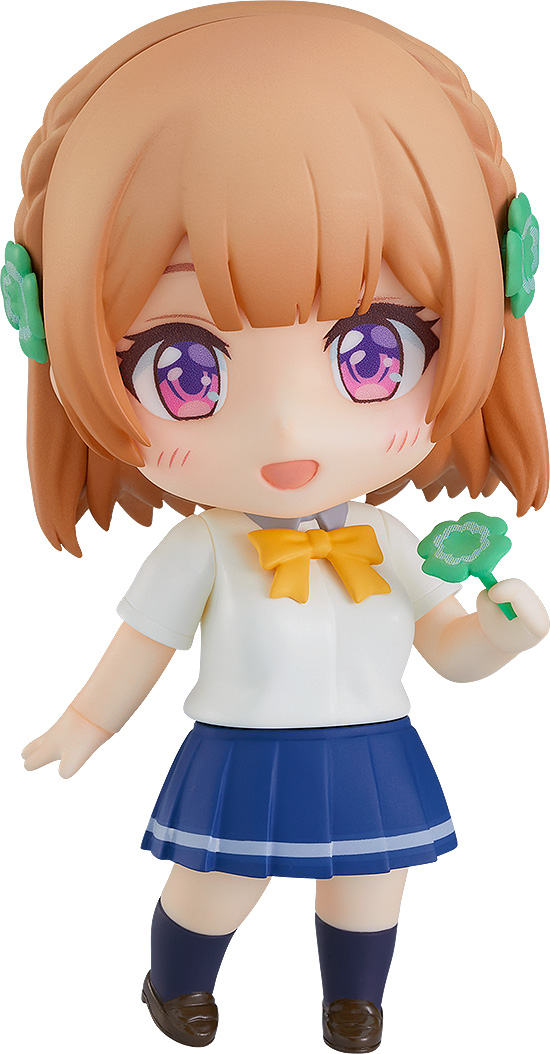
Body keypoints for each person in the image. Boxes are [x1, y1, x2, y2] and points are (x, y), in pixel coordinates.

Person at [5, 4, 548, 1051]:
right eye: (184, 368)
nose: (290, 430)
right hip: (242, 745)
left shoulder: (390, 545)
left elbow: (444, 649)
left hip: (371, 741)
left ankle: (354, 1001)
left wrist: (500, 632)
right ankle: (175, 982)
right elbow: (144, 643)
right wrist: (85, 721)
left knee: (372, 880)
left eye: (373, 353)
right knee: (216, 880)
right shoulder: (206, 546)